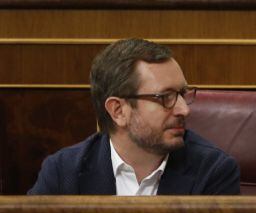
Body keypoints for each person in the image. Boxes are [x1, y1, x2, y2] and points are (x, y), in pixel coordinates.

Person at [28, 38, 240, 195]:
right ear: (118, 111)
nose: (184, 109)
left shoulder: (213, 172)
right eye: (165, 97)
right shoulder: (63, 172)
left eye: (182, 94)